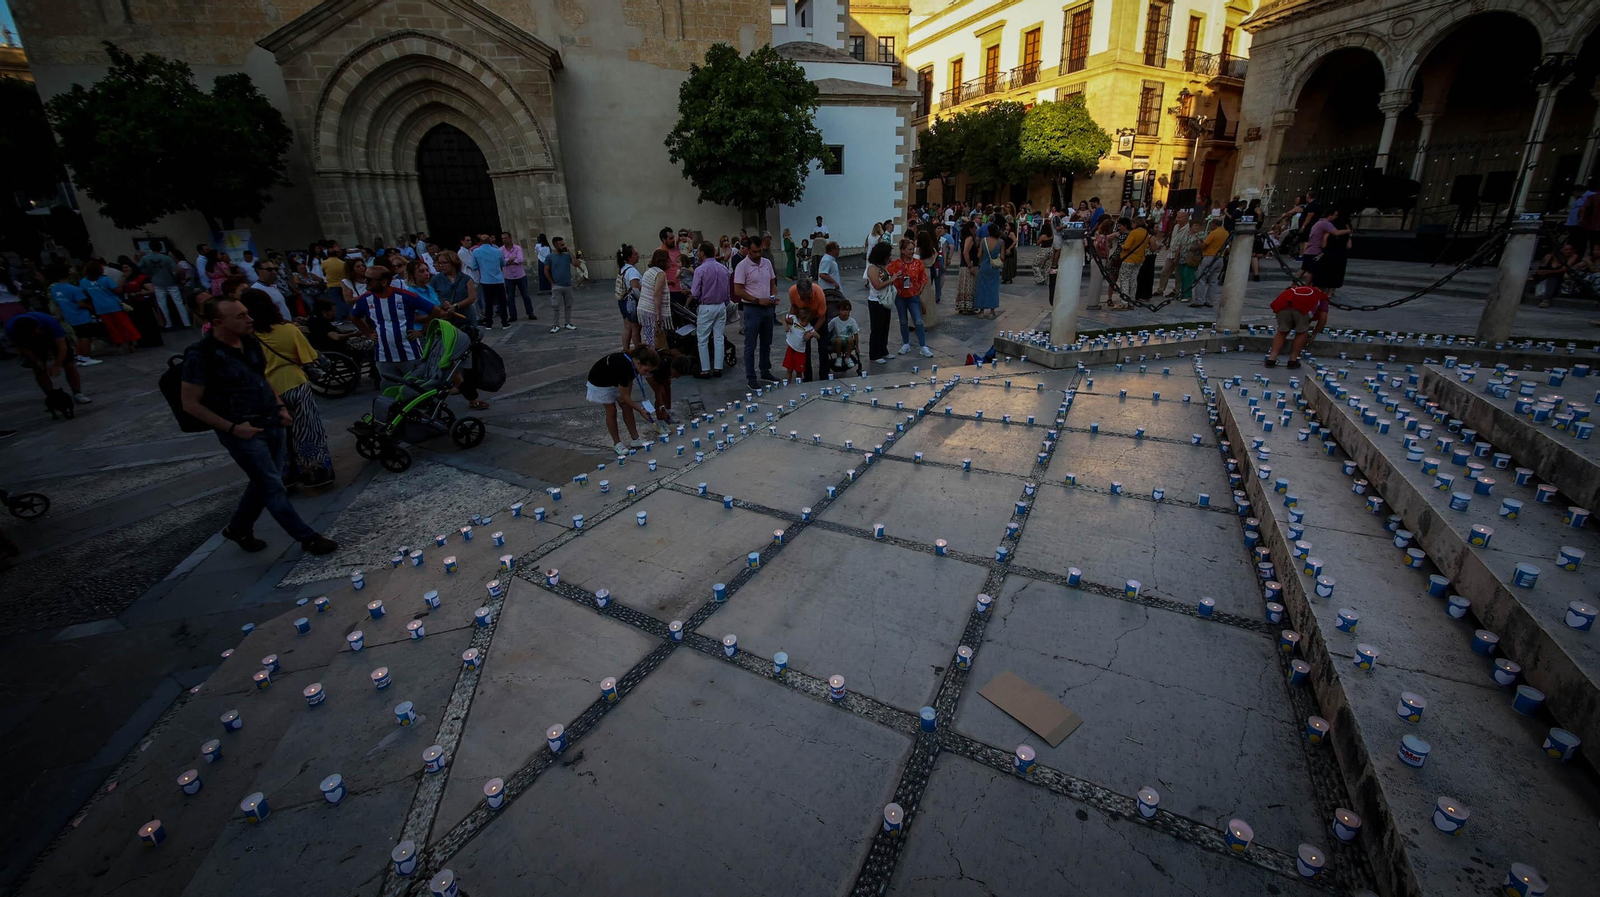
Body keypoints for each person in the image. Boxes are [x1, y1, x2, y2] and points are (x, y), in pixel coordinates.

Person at [180, 296, 339, 556]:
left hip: (271, 422)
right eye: (240, 316)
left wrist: (278, 407)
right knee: (272, 485)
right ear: (219, 322)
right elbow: (190, 403)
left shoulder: (250, 343)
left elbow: (261, 378)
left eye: (247, 313)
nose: (249, 318)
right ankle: (307, 537)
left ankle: (238, 528)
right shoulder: (201, 355)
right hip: (242, 431)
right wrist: (232, 428)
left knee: (264, 480)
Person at [239, 289, 334, 487]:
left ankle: (286, 474)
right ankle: (316, 472)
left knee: (277, 435)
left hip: (266, 392)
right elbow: (309, 357)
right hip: (295, 384)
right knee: (307, 430)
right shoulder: (288, 330)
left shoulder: (245, 338)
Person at [350, 265, 437, 383]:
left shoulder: (405, 296)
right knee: (389, 390)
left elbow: (435, 311)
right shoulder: (365, 299)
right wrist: (369, 333)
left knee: (415, 387)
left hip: (410, 354)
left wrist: (422, 331)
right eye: (365, 278)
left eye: (369, 279)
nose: (366, 282)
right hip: (383, 356)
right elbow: (354, 317)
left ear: (384, 282)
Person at [584, 346, 659, 454]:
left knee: (627, 407)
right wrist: (640, 410)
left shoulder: (634, 365)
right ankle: (617, 443)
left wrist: (626, 398)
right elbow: (625, 395)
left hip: (615, 379)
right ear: (638, 362)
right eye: (646, 370)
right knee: (611, 411)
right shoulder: (624, 366)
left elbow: (628, 387)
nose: (646, 373)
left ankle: (635, 439)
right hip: (600, 381)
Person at [5, 312, 91, 405]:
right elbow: (21, 347)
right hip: (30, 342)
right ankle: (51, 396)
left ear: (38, 327)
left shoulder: (49, 322)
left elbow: (63, 347)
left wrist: (57, 365)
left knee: (69, 364)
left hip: (50, 336)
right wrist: (36, 360)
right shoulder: (11, 329)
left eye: (34, 332)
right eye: (31, 334)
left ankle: (77, 393)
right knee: (38, 369)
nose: (33, 335)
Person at [734, 236, 778, 388]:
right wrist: (757, 300)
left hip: (767, 308)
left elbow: (772, 282)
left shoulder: (766, 263)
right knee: (750, 345)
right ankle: (751, 377)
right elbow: (738, 290)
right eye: (754, 252)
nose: (758, 254)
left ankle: (765, 370)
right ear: (747, 250)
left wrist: (772, 297)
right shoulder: (742, 266)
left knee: (766, 342)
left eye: (760, 251)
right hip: (752, 308)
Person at [1264, 276, 1328, 368]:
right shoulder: (1321, 296)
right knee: (1301, 333)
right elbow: (1323, 318)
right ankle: (1292, 360)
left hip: (1283, 306)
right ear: (1325, 290)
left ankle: (1271, 359)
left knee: (1282, 331)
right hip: (1301, 310)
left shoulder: (1300, 288)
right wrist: (1314, 333)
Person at [886, 237, 932, 357]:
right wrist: (893, 280)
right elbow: (886, 273)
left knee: (918, 320)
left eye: (913, 249)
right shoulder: (895, 264)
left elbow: (923, 278)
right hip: (900, 296)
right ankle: (906, 343)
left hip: (913, 296)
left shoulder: (918, 263)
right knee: (903, 320)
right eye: (909, 249)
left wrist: (920, 290)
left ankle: (923, 346)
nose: (912, 251)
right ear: (903, 251)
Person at [81, 261, 141, 351]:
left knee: (112, 328)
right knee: (123, 325)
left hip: (100, 307)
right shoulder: (104, 279)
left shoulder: (84, 282)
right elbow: (118, 290)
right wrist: (123, 279)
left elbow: (85, 294)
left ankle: (118, 346)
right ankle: (130, 344)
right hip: (114, 305)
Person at [690, 241, 730, 378]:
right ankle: (718, 368)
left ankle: (705, 369)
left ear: (702, 253)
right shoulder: (723, 269)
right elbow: (727, 290)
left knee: (703, 339)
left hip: (706, 306)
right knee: (719, 337)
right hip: (720, 305)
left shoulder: (700, 270)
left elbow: (695, 293)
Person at [139, 240, 188, 329]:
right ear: (161, 248)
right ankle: (186, 322)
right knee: (179, 302)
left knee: (162, 304)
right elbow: (177, 270)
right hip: (170, 281)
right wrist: (180, 279)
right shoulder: (167, 258)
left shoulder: (145, 258)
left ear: (150, 248)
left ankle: (168, 324)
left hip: (156, 282)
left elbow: (139, 268)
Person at [787, 271, 828, 380]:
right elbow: (794, 307)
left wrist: (812, 332)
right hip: (803, 319)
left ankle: (824, 375)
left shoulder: (819, 294)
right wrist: (792, 320)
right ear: (798, 292)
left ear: (812, 291)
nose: (806, 300)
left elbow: (822, 318)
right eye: (803, 298)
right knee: (804, 349)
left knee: (823, 348)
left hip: (818, 318)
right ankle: (807, 376)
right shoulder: (792, 291)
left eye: (808, 297)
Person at [863, 241, 895, 364]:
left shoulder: (883, 267)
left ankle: (883, 350)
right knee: (877, 328)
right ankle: (875, 354)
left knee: (885, 327)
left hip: (885, 301)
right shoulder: (872, 268)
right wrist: (891, 280)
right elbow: (877, 285)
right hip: (876, 301)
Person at [120, 261, 164, 348]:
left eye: (126, 267)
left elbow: (151, 290)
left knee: (148, 322)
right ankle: (142, 341)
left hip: (142, 302)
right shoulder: (126, 279)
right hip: (132, 304)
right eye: (123, 268)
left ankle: (154, 341)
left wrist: (137, 294)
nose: (124, 270)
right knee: (138, 324)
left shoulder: (141, 277)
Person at [471, 234, 510, 327]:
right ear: (490, 241)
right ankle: (504, 322)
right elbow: (503, 263)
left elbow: (474, 266)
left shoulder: (476, 252)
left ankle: (489, 323)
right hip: (498, 280)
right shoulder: (497, 251)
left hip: (486, 280)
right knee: (502, 302)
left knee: (488, 302)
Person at [433, 251, 478, 327]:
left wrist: (456, 306)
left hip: (465, 317)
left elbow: (472, 297)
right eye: (440, 263)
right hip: (446, 319)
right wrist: (442, 303)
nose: (441, 266)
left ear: (453, 263)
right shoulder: (436, 279)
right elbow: (431, 295)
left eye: (444, 263)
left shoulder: (466, 279)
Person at [637, 248, 670, 351]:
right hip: (651, 310)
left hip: (643, 309)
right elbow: (657, 293)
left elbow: (649, 286)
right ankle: (652, 358)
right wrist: (658, 314)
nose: (671, 261)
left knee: (648, 337)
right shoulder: (660, 273)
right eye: (669, 259)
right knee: (655, 339)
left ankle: (649, 356)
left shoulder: (649, 271)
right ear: (663, 261)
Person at [1191, 218, 1227, 308]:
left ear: (1214, 224)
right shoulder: (1226, 233)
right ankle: (1209, 301)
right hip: (1220, 258)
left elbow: (1204, 246)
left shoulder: (1213, 233)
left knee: (1201, 278)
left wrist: (1199, 244)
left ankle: (1199, 301)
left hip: (1209, 257)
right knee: (1214, 281)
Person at [1115, 217, 1150, 307]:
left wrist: (1122, 246)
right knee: (1133, 280)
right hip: (1139, 259)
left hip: (1129, 259)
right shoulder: (1146, 233)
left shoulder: (1134, 232)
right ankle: (1132, 300)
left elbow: (1127, 246)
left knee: (1125, 280)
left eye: (1132, 223)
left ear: (1136, 223)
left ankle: (1124, 301)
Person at [544, 236, 577, 332]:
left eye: (564, 244)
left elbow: (576, 264)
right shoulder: (550, 257)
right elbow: (546, 270)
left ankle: (568, 322)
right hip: (557, 285)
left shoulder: (567, 256)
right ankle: (555, 325)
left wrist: (570, 252)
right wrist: (552, 283)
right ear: (555, 245)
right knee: (555, 306)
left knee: (568, 305)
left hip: (568, 285)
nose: (564, 246)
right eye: (561, 245)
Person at [502, 232, 537, 322]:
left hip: (520, 275)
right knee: (510, 297)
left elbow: (520, 259)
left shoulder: (517, 248)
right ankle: (513, 315)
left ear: (510, 238)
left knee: (525, 295)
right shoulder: (500, 250)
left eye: (505, 238)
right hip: (509, 276)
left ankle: (530, 313)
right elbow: (502, 262)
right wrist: (512, 259)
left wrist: (508, 261)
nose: (504, 240)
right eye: (502, 238)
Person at [780, 306, 818, 380]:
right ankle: (787, 384)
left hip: (800, 351)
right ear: (798, 318)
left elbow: (818, 336)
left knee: (799, 371)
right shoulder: (794, 319)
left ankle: (799, 386)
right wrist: (786, 326)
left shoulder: (809, 327)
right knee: (789, 369)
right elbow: (783, 317)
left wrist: (811, 334)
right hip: (790, 347)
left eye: (806, 322)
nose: (804, 323)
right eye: (802, 321)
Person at [974, 224, 1002, 319]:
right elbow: (1002, 257)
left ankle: (981, 311)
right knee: (993, 289)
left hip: (984, 266)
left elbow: (979, 255)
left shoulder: (983, 240)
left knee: (982, 288)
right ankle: (992, 311)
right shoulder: (1000, 242)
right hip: (994, 267)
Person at [828, 299, 861, 370]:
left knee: (850, 339)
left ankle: (847, 357)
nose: (845, 312)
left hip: (847, 338)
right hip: (837, 337)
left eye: (847, 310)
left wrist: (857, 347)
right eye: (843, 310)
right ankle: (839, 357)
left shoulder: (852, 321)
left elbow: (855, 333)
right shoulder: (834, 321)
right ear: (838, 311)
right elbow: (828, 329)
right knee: (839, 340)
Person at [955, 221, 978, 315]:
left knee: (964, 286)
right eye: (975, 228)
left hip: (964, 265)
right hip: (968, 265)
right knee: (968, 286)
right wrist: (970, 265)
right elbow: (965, 252)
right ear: (971, 229)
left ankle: (962, 306)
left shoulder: (964, 238)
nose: (976, 229)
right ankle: (967, 307)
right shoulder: (969, 238)